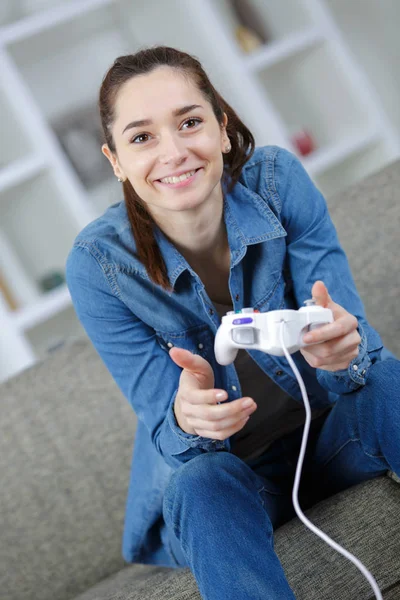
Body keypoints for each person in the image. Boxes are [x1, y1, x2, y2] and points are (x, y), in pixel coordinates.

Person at [65, 46, 400, 600]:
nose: (174, 152)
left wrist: (347, 350)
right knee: (201, 484)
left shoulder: (276, 181)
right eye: (142, 137)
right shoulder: (98, 265)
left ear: (222, 128)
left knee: (388, 378)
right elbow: (170, 438)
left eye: (190, 122)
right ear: (116, 160)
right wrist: (189, 416)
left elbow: (358, 365)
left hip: (329, 441)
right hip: (229, 480)